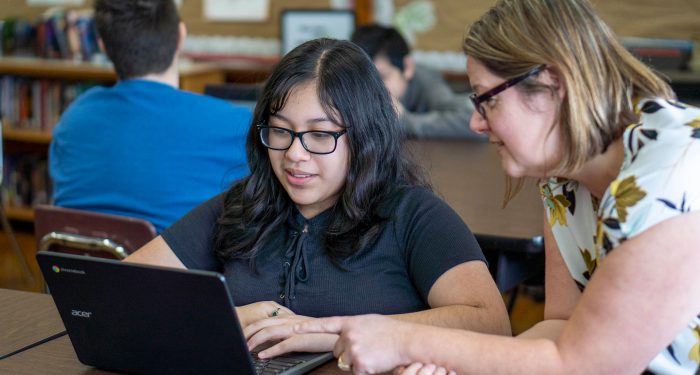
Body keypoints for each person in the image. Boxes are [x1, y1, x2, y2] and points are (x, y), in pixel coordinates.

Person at [295, 1, 700, 374]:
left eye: (487, 101)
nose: (475, 123)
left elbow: (582, 365)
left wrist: (408, 341)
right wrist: (444, 360)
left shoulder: (670, 172)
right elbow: (560, 326)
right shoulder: (562, 177)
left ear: (551, 85)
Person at [125, 38, 511, 358]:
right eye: (280, 131)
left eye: (320, 135)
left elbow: (491, 322)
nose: (294, 154)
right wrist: (226, 317)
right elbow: (126, 288)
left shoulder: (412, 215)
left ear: (363, 137)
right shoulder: (241, 206)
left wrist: (328, 331)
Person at [49, 0, 251, 233]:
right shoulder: (235, 125)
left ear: (103, 46)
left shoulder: (73, 118)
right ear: (181, 36)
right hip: (179, 268)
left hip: (80, 267)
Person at [351, 24, 485, 140]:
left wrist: (404, 120)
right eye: (365, 79)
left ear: (408, 67)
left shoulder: (427, 81)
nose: (372, 89)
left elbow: (469, 122)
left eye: (382, 77)